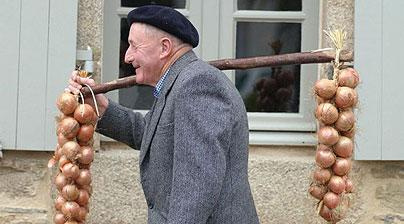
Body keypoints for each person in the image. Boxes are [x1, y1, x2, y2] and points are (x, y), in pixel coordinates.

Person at [68, 5, 259, 224]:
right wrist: (100, 107)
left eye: (133, 46)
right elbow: (148, 133)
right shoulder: (178, 82)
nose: (127, 57)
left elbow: (195, 188)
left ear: (164, 48)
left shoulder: (197, 84)